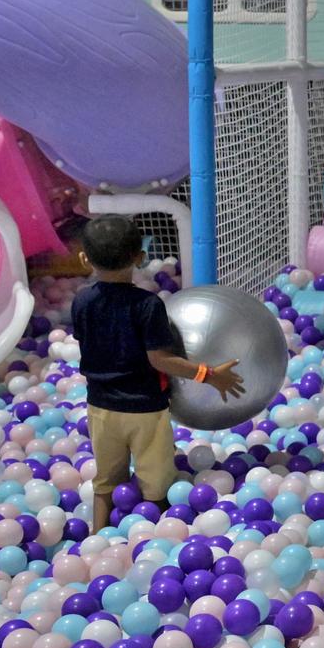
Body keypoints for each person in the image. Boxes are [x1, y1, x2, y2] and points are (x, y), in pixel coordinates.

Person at [70, 215, 244, 531]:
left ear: (85, 258)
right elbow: (160, 360)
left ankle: (95, 539)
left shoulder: (82, 300)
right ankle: (161, 533)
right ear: (140, 257)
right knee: (158, 482)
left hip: (100, 407)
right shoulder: (147, 305)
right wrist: (208, 374)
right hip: (144, 410)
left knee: (106, 479)